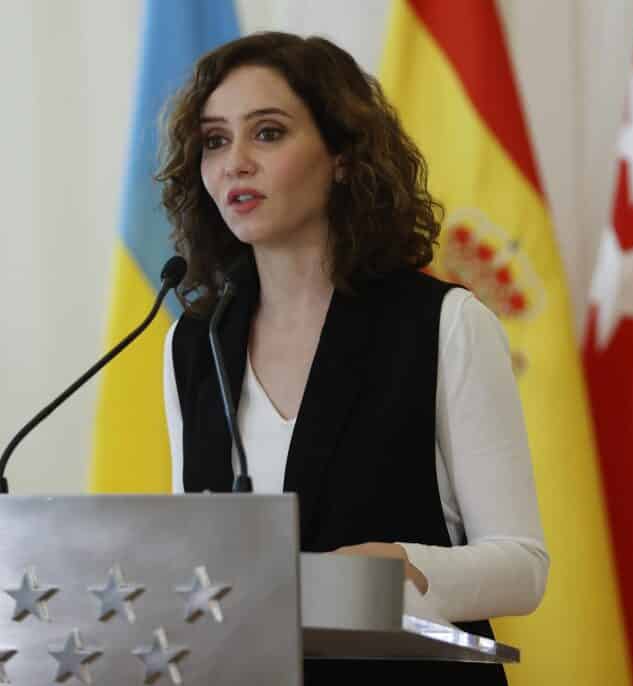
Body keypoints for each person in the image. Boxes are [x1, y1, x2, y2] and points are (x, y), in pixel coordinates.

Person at [158, 32, 548, 684]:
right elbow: (199, 560)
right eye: (215, 141)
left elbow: (523, 567)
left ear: (342, 155)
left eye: (268, 133)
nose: (235, 164)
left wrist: (404, 565)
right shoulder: (194, 342)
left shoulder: (442, 323)